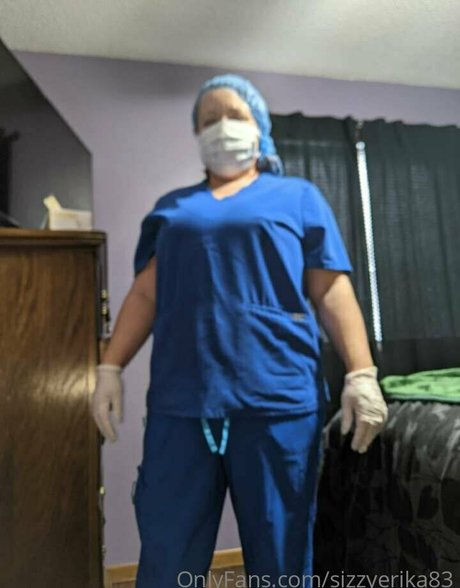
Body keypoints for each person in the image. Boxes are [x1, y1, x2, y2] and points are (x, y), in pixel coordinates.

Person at [91, 73, 388, 588]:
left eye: (235, 115)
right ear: (197, 134)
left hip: (277, 404)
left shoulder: (298, 197)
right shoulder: (173, 209)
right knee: (167, 550)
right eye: (209, 120)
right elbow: (144, 295)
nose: (222, 127)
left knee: (281, 551)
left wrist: (361, 373)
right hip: (183, 405)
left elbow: (330, 291)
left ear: (260, 127)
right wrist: (110, 367)